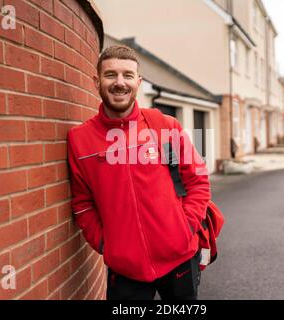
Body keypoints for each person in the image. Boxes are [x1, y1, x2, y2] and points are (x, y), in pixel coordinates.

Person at [67, 45, 211, 300]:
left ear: (139, 82)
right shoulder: (80, 140)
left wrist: (185, 227)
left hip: (179, 259)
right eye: (111, 75)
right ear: (96, 81)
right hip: (125, 270)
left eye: (128, 75)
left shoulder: (165, 126)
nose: (119, 83)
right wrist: (104, 244)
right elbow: (82, 203)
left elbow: (198, 180)